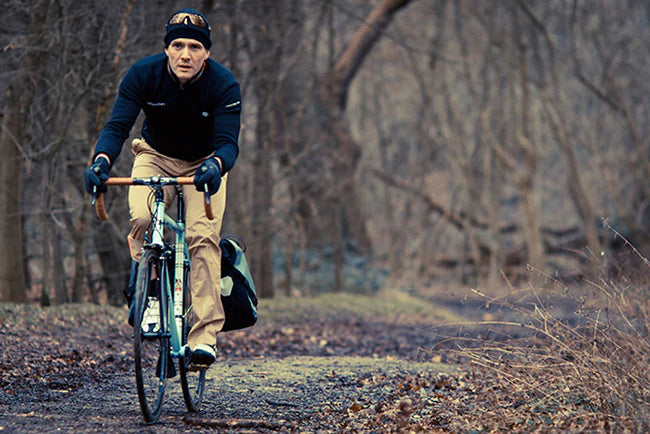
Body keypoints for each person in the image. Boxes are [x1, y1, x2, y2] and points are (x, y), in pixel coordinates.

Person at [83, 8, 241, 369]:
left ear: (207, 53)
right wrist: (101, 162)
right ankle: (149, 294)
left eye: (195, 48)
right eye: (178, 45)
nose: (186, 54)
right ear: (168, 49)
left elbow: (229, 143)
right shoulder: (143, 74)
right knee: (141, 217)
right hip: (155, 156)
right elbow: (117, 126)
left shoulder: (224, 84)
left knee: (202, 237)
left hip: (204, 164)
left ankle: (203, 338)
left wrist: (215, 165)